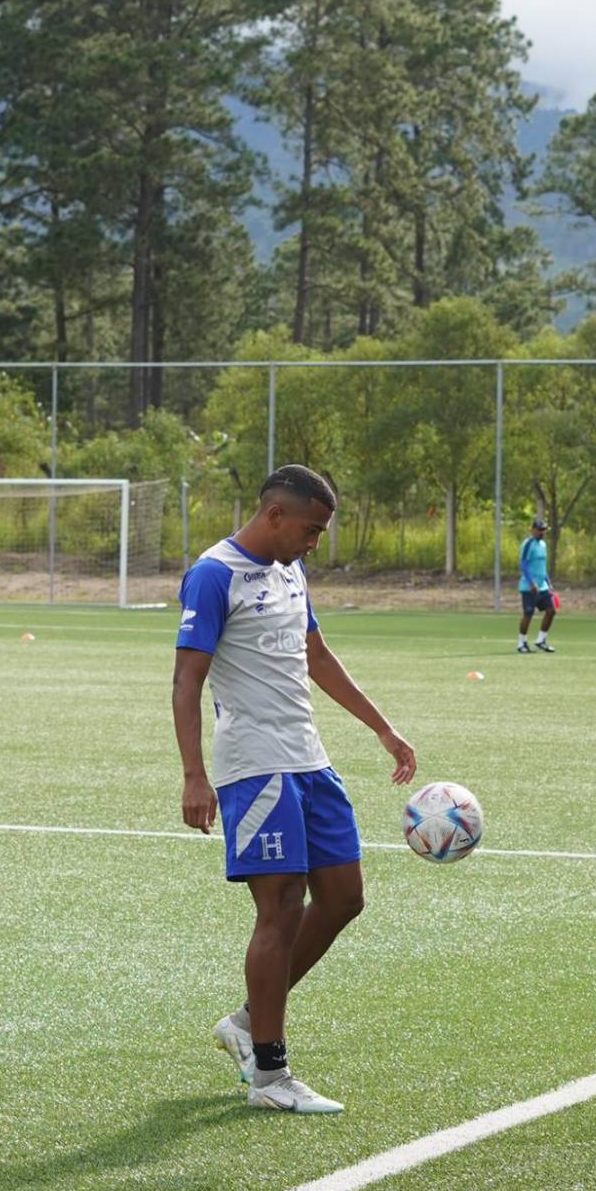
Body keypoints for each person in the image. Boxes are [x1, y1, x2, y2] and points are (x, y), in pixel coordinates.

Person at [173, 464, 416, 1115]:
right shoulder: (214, 574)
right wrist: (194, 773)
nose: (316, 543)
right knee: (279, 907)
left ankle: (250, 1021)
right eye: (311, 530)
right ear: (276, 514)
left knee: (343, 896)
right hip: (253, 764)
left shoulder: (290, 571)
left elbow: (317, 655)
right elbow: (186, 680)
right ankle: (271, 1076)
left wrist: (383, 729)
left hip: (309, 757)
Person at [517, 517, 556, 652]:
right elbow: (523, 564)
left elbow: (542, 566)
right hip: (529, 587)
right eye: (540, 530)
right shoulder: (528, 544)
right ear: (533, 530)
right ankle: (521, 643)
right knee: (528, 613)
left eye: (544, 530)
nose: (542, 533)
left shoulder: (543, 545)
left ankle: (541, 640)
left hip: (543, 586)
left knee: (551, 611)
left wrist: (548, 582)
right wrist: (531, 582)